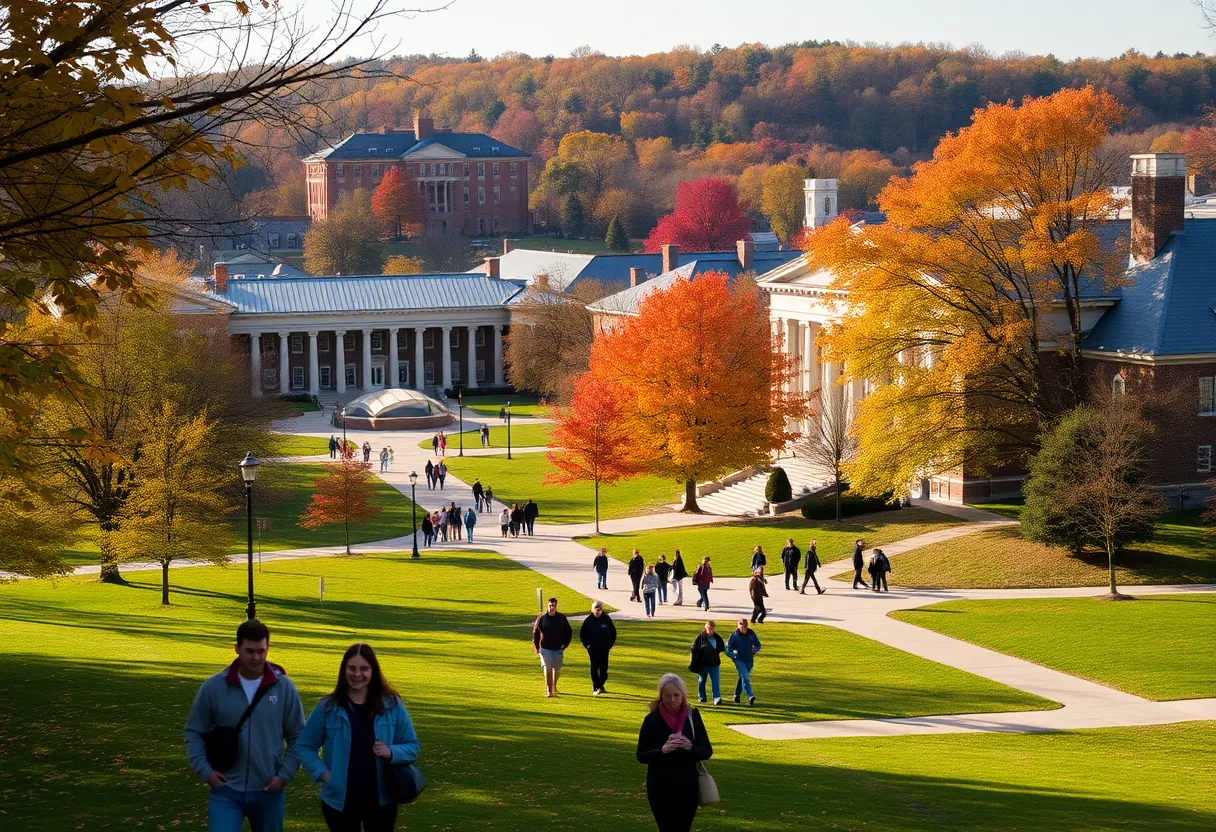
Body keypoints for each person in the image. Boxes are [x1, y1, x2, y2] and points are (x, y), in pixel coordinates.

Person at [184, 619, 305, 832]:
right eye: (250, 651)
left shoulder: (283, 687)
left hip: (269, 791)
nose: (257, 658)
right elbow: (194, 731)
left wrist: (284, 776)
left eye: (261, 651)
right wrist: (205, 771)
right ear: (237, 648)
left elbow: (298, 735)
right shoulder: (214, 687)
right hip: (226, 790)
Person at [296, 643, 420, 832]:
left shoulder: (391, 705)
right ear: (343, 670)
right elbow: (304, 746)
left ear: (373, 671)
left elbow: (413, 747)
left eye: (364, 669)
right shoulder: (328, 708)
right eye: (352, 668)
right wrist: (322, 773)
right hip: (339, 801)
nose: (357, 674)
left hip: (382, 800)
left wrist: (392, 752)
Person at [636, 674, 712, 832]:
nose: (672, 700)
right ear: (661, 696)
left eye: (676, 695)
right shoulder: (652, 719)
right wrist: (662, 751)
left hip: (688, 786)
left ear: (683, 695)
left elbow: (706, 751)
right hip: (660, 786)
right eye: (668, 696)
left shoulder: (693, 717)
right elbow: (641, 755)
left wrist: (690, 747)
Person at [532, 597, 572, 697]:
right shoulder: (542, 618)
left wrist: (565, 644)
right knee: (547, 668)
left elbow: (568, 631)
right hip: (545, 648)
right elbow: (536, 632)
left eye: (553, 606)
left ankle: (554, 685)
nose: (552, 608)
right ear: (547, 605)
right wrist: (536, 647)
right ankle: (549, 690)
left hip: (558, 648)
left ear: (556, 606)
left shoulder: (561, 618)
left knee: (557, 670)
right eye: (550, 606)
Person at [579, 601, 617, 695]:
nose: (597, 611)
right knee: (594, 667)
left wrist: (610, 644)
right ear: (592, 610)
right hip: (593, 649)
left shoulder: (606, 619)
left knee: (604, 669)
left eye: (599, 610)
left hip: (604, 648)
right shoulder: (588, 621)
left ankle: (600, 684)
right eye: (596, 609)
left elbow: (613, 632)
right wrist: (587, 645)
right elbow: (582, 634)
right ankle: (596, 686)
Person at [726, 618, 762, 705]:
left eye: (744, 628)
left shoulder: (751, 634)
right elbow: (728, 648)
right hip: (739, 659)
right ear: (738, 627)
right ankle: (750, 695)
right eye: (741, 628)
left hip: (749, 659)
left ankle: (737, 695)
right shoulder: (734, 635)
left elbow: (758, 645)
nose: (742, 630)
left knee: (743, 676)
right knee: (745, 676)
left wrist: (754, 650)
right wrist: (733, 655)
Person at [689, 621, 726, 705]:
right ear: (706, 628)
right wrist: (694, 661)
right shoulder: (700, 637)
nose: (710, 630)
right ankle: (702, 697)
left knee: (715, 681)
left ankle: (716, 698)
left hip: (714, 664)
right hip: (703, 664)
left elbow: (721, 646)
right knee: (702, 681)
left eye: (712, 629)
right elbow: (694, 649)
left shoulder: (717, 637)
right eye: (709, 628)